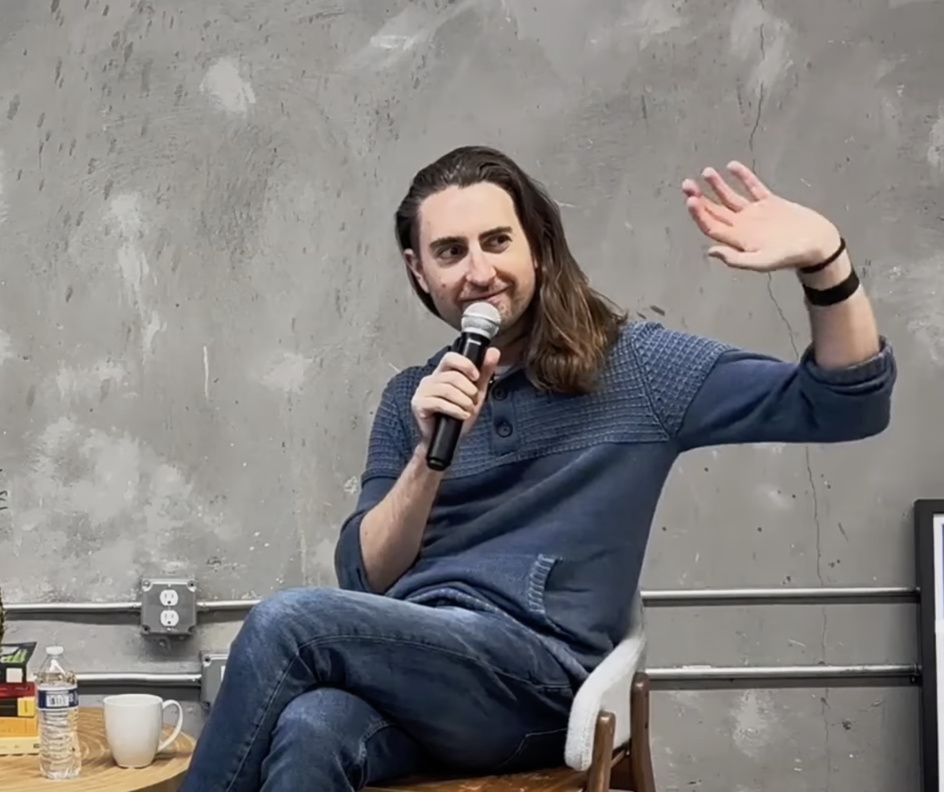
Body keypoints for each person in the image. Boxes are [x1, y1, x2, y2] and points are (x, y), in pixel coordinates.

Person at [179, 146, 896, 792]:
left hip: (538, 686)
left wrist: (825, 264)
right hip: (421, 676)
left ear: (540, 249)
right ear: (419, 271)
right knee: (311, 728)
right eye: (450, 252)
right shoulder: (412, 397)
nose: (478, 272)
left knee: (288, 621)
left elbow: (845, 406)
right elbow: (366, 580)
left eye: (497, 242)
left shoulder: (638, 369)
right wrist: (430, 457)